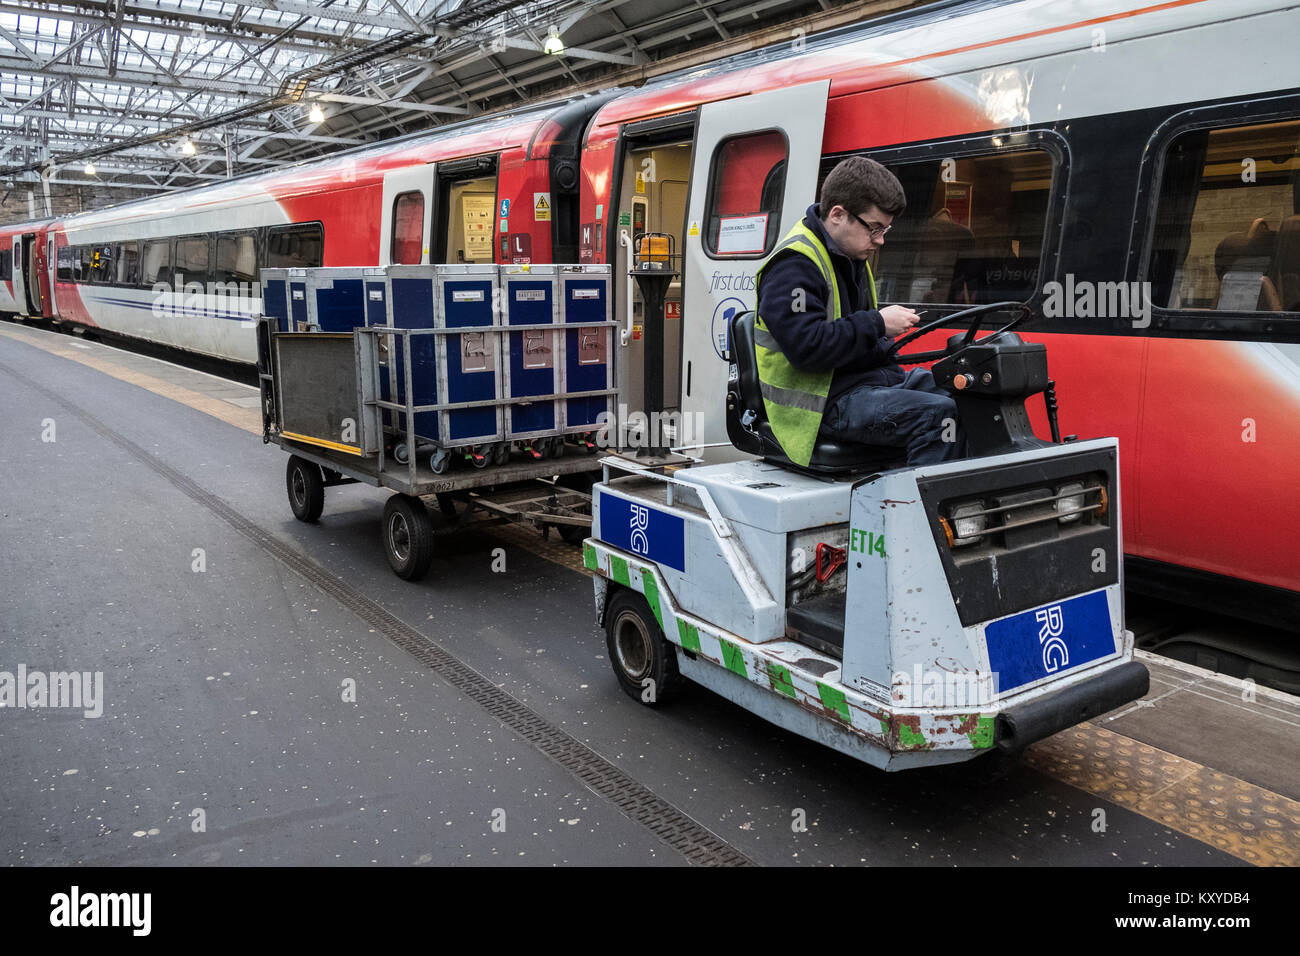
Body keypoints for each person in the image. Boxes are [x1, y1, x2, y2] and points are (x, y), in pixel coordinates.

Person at [754, 156, 963, 467]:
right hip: (820, 405)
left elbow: (853, 336)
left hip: (863, 384)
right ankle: (923, 513)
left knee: (970, 388)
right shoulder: (794, 267)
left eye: (886, 230)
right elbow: (806, 348)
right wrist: (877, 323)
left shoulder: (850, 258)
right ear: (838, 214)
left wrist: (879, 337)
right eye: (874, 228)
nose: (880, 240)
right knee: (937, 417)